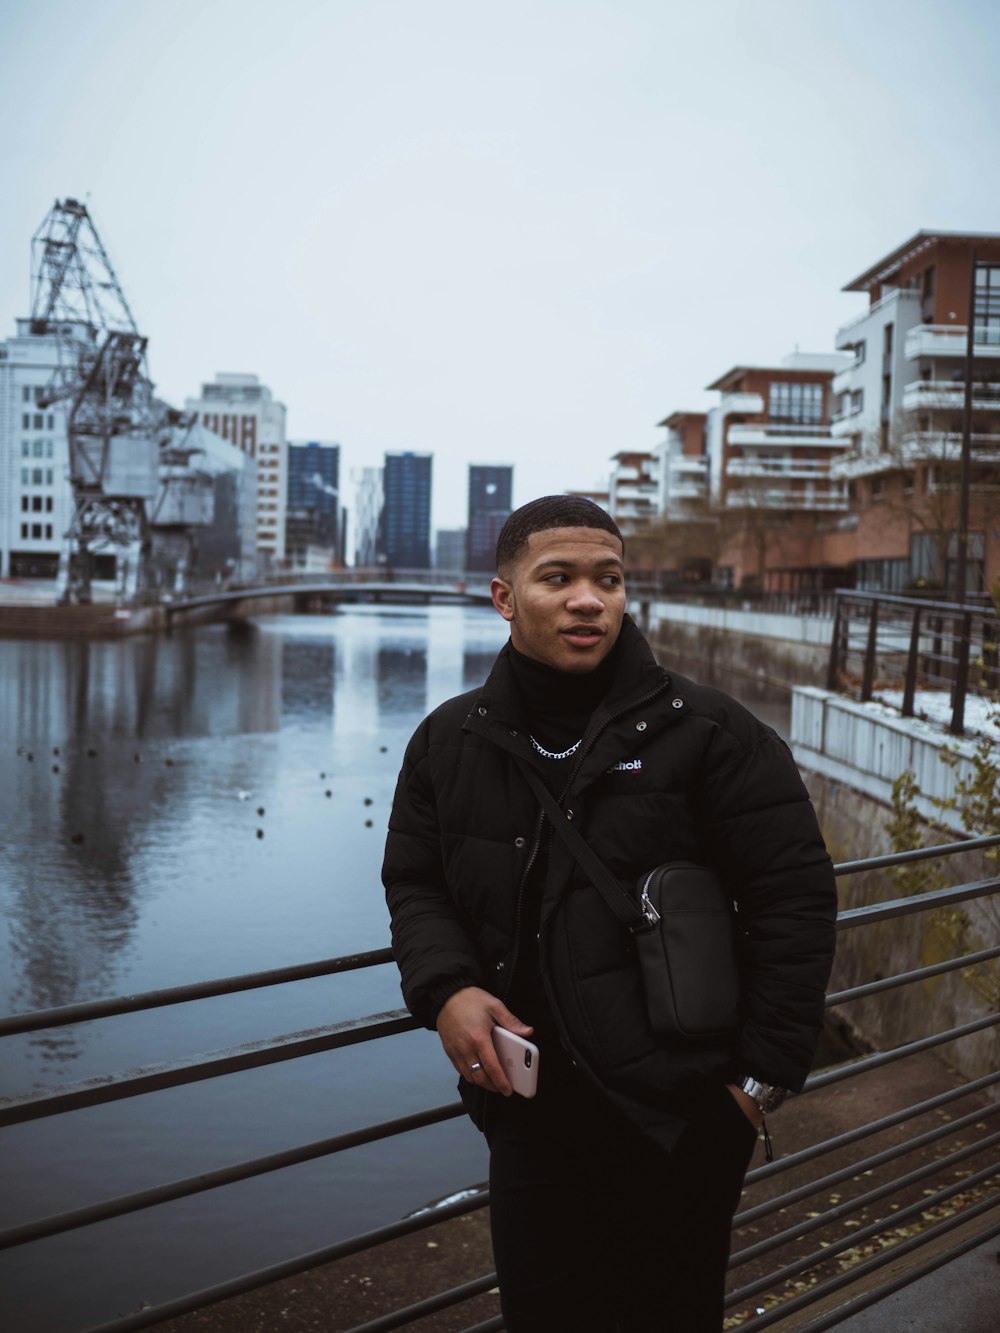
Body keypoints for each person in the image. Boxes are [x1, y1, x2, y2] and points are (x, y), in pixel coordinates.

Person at [383, 496, 837, 1332]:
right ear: (504, 596)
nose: (589, 598)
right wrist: (446, 988)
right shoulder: (449, 743)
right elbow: (416, 881)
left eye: (609, 578)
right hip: (531, 1118)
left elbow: (795, 898)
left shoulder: (710, 732)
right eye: (558, 577)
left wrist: (754, 1087)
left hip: (684, 1116)